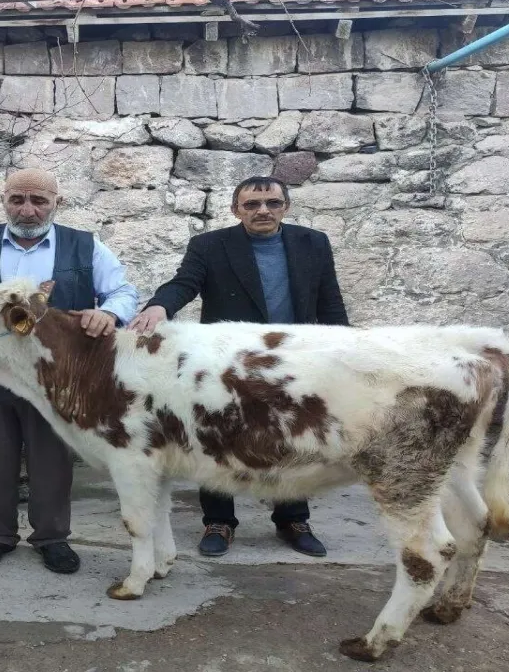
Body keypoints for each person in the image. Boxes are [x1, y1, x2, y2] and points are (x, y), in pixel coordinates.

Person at [129, 175, 349, 558]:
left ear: (286, 207)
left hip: (292, 361)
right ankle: (219, 522)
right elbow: (185, 282)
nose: (263, 210)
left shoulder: (313, 243)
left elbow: (329, 300)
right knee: (218, 437)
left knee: (292, 439)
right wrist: (160, 306)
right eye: (252, 204)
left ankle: (293, 519)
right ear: (236, 210)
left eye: (272, 203)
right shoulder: (210, 245)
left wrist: (346, 348)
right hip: (228, 363)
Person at [0, 168, 139, 574]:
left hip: (55, 378)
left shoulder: (85, 245)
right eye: (17, 199)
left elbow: (122, 291)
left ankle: (52, 538)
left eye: (39, 201)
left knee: (52, 458)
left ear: (56, 203)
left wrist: (108, 313)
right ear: (3, 201)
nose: (27, 210)